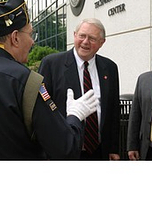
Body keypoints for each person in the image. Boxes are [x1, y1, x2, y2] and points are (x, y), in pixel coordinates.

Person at [0, 0, 98, 160]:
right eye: (30, 34)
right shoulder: (26, 81)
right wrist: (75, 116)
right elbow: (64, 148)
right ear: (15, 38)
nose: (33, 41)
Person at [39, 18, 120, 160]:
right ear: (74, 35)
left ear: (102, 43)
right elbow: (42, 106)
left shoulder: (110, 68)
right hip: (64, 150)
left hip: (99, 151)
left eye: (92, 38)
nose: (85, 42)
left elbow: (113, 110)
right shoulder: (51, 64)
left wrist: (113, 148)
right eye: (82, 36)